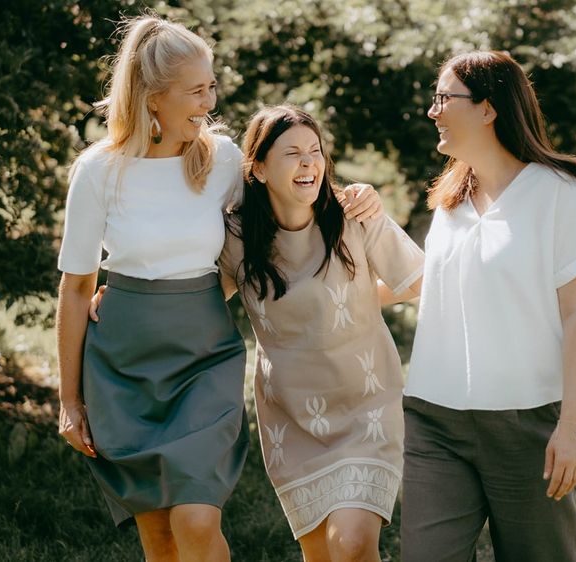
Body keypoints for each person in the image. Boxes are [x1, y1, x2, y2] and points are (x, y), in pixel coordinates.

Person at [54, 16, 379, 562]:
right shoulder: (97, 171)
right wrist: (70, 399)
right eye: (196, 90)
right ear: (153, 96)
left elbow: (293, 200)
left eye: (211, 86)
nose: (209, 101)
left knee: (197, 520)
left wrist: (357, 199)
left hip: (203, 358)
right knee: (158, 535)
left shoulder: (224, 160)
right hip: (120, 365)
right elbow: (77, 284)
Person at [91, 105, 421, 562]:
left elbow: (418, 282)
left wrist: (356, 299)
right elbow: (196, 293)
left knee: (351, 544)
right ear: (260, 168)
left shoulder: (353, 215)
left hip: (367, 409)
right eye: (293, 154)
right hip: (293, 417)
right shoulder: (237, 238)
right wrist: (122, 299)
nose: (309, 163)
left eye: (315, 151)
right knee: (321, 554)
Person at [400, 50, 576, 562]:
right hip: (434, 418)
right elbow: (432, 281)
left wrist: (570, 426)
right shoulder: (451, 197)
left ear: (488, 108)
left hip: (529, 424)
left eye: (444, 98)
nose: (433, 110)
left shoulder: (563, 194)